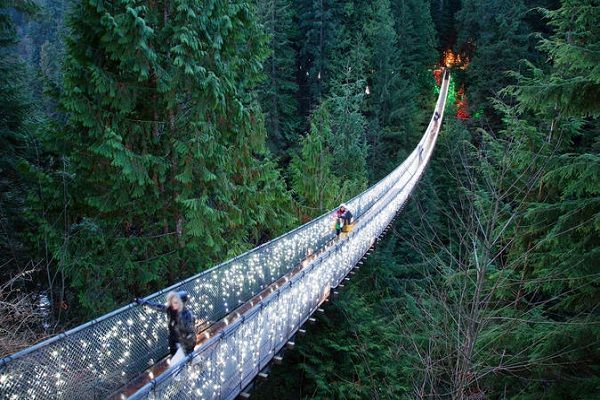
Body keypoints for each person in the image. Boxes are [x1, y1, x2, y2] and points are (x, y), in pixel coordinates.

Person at [136, 291, 196, 362]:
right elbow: (158, 306)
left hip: (183, 343)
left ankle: (196, 363)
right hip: (174, 341)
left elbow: (190, 332)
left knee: (178, 363)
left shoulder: (188, 315)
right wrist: (144, 302)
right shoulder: (171, 310)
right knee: (182, 363)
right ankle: (195, 363)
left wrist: (188, 345)